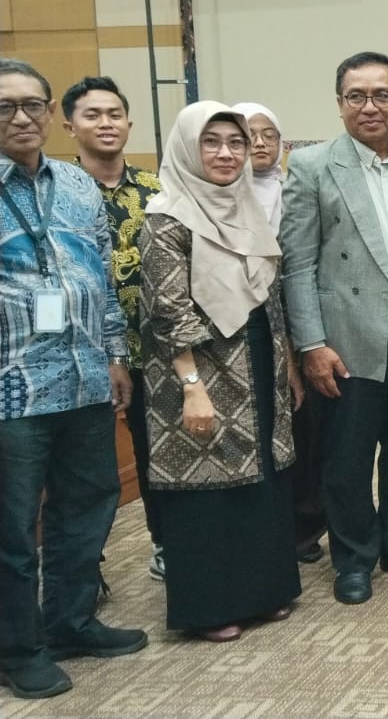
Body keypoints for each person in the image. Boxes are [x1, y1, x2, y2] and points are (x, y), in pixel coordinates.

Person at [278, 54, 388, 607]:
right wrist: (311, 345)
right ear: (339, 104)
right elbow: (297, 266)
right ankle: (354, 559)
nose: (370, 106)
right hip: (345, 337)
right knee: (348, 456)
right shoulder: (311, 166)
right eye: (357, 95)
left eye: (382, 95)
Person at [0, 59, 146, 700]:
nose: (21, 117)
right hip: (11, 389)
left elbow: (104, 280)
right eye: (5, 106)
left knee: (86, 507)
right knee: (12, 529)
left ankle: (70, 622)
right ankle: (18, 648)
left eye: (32, 104)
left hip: (85, 378)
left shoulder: (77, 184)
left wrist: (114, 355)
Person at [139, 101, 302, 643]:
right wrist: (192, 387)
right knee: (206, 484)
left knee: (261, 477)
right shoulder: (167, 218)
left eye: (236, 142)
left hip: (256, 357)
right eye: (211, 142)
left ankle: (264, 591)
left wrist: (286, 363)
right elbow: (167, 311)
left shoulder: (247, 207)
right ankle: (210, 607)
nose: (227, 154)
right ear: (188, 148)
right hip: (197, 366)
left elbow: (269, 295)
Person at [61, 76, 165, 581]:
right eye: (92, 115)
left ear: (128, 122)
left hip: (155, 349)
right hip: (79, 353)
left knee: (155, 455)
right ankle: (84, 568)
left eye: (114, 114)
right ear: (69, 126)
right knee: (85, 469)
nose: (106, 123)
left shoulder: (157, 189)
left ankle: (165, 544)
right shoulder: (58, 191)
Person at [235, 101, 326, 566]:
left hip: (301, 325)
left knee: (305, 430)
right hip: (244, 333)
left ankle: (304, 529)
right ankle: (261, 529)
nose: (260, 143)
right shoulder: (219, 200)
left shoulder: (296, 191)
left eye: (269, 134)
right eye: (248, 134)